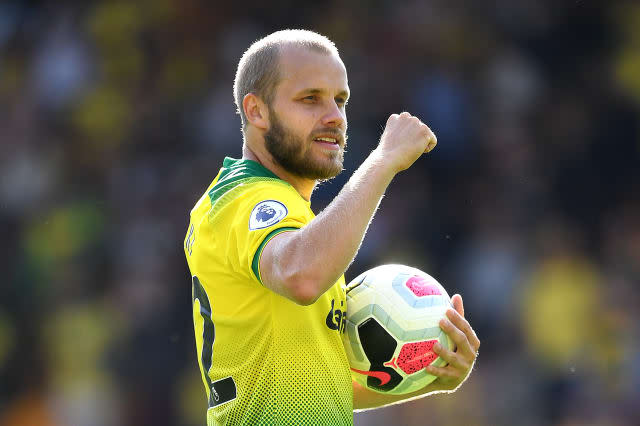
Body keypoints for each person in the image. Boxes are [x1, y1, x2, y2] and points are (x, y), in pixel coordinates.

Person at [183, 29, 480, 426]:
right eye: (310, 99)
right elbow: (301, 276)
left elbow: (318, 390)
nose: (334, 117)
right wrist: (383, 160)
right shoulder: (245, 200)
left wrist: (431, 377)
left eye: (340, 100)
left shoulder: (297, 221)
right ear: (256, 111)